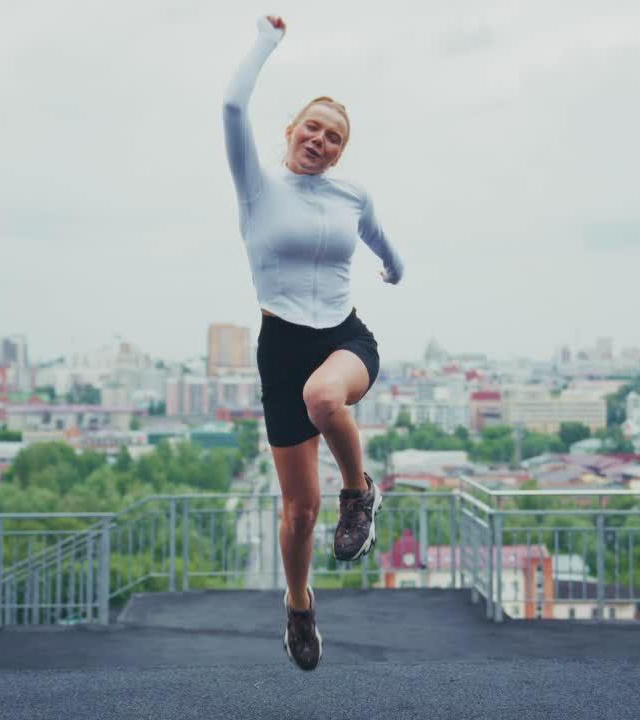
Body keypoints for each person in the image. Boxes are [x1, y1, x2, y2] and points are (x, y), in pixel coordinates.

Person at [222, 14, 405, 671]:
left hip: (344, 340)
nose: (320, 141)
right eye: (313, 128)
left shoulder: (351, 195)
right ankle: (299, 605)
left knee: (326, 398)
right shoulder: (258, 189)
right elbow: (232, 105)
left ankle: (359, 494)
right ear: (292, 131)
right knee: (299, 513)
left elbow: (377, 237)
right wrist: (266, 41)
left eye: (333, 138)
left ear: (339, 152)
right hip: (281, 348)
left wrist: (395, 268)